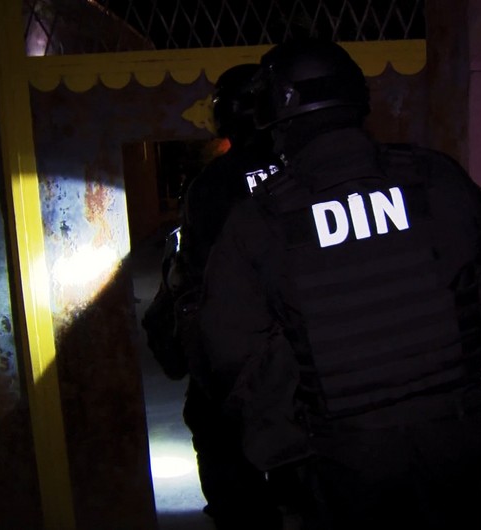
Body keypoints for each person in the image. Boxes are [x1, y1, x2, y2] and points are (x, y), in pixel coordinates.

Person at [196, 38, 481, 530]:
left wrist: (285, 435)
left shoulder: (260, 218)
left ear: (278, 112)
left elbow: (229, 348)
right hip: (457, 435)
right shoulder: (436, 176)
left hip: (347, 455)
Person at [141, 63, 286, 530]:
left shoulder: (212, 185)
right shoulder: (304, 170)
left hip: (234, 350)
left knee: (223, 449)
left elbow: (198, 275)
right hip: (307, 343)